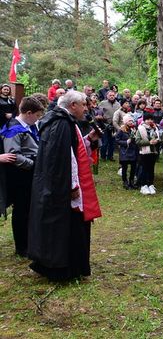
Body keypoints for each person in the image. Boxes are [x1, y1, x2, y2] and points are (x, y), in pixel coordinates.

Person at [28, 91, 102, 282]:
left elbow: (73, 150)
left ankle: (67, 266)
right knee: (65, 226)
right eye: (84, 105)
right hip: (62, 188)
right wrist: (72, 185)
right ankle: (64, 268)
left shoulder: (63, 121)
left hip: (58, 185)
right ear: (73, 105)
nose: (86, 108)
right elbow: (64, 159)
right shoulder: (61, 123)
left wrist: (88, 140)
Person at [0, 96, 44, 256]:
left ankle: (29, 240)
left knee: (29, 208)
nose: (38, 119)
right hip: (21, 174)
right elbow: (14, 156)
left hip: (30, 172)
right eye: (37, 115)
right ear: (29, 113)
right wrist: (34, 164)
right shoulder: (13, 129)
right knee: (21, 209)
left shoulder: (29, 127)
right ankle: (22, 246)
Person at [135, 111, 160, 195]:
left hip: (153, 151)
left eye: (151, 119)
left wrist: (157, 141)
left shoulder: (155, 128)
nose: (150, 121)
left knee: (151, 169)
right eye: (148, 119)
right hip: (144, 152)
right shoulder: (141, 128)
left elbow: (158, 138)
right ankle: (143, 185)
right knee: (144, 169)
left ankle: (150, 184)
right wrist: (149, 142)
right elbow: (137, 141)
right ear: (144, 120)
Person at [115, 114, 138, 189]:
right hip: (125, 151)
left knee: (133, 167)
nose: (131, 122)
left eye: (132, 121)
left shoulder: (134, 129)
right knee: (124, 167)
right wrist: (125, 142)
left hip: (133, 151)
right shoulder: (121, 130)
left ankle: (131, 181)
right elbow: (117, 140)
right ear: (125, 122)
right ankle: (125, 182)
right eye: (129, 121)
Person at [98, 90, 120, 161]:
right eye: (110, 95)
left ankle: (110, 156)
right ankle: (103, 156)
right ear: (107, 96)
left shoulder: (118, 104)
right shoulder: (102, 103)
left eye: (113, 95)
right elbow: (98, 113)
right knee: (105, 142)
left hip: (114, 126)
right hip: (105, 125)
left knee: (112, 143)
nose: (112, 96)